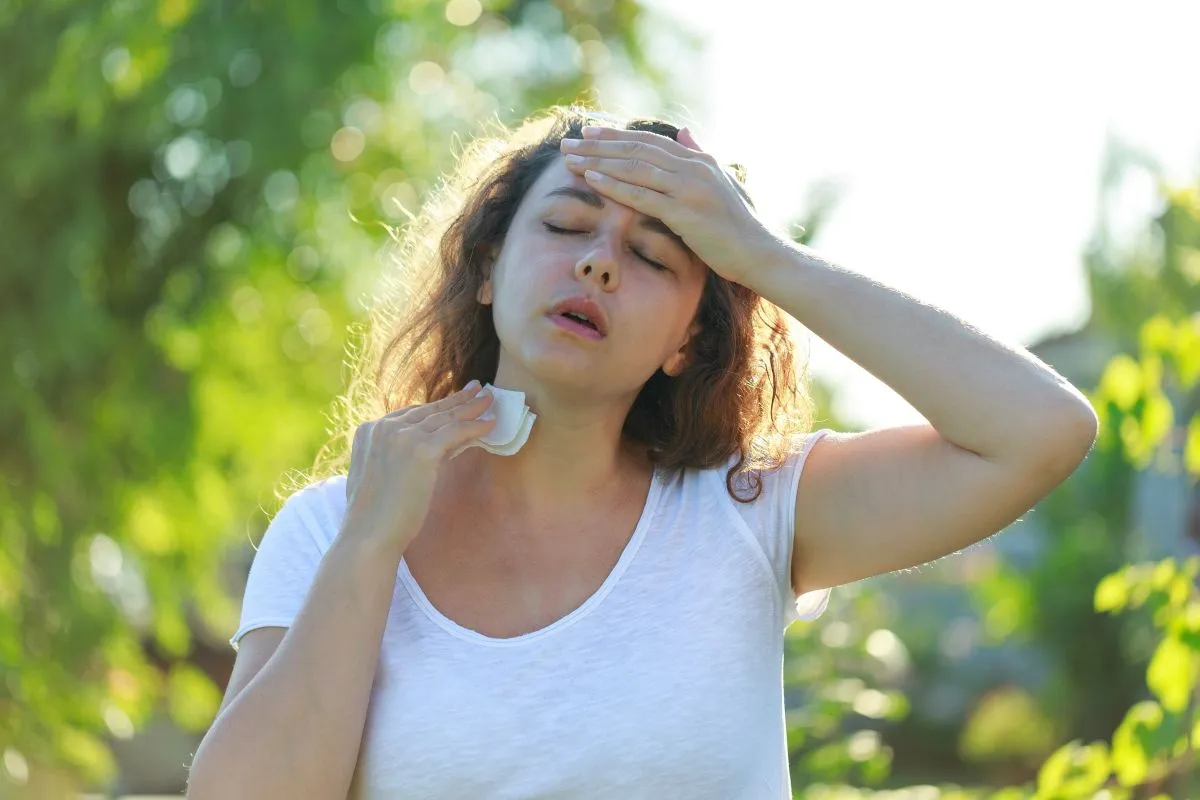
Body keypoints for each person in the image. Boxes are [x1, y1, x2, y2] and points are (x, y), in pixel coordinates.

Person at [185, 105, 1098, 799]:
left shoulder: (747, 510)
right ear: (492, 265)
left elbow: (1040, 430)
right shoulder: (333, 528)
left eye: (655, 256)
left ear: (688, 344)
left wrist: (762, 255)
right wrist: (368, 550)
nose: (598, 263)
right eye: (566, 226)